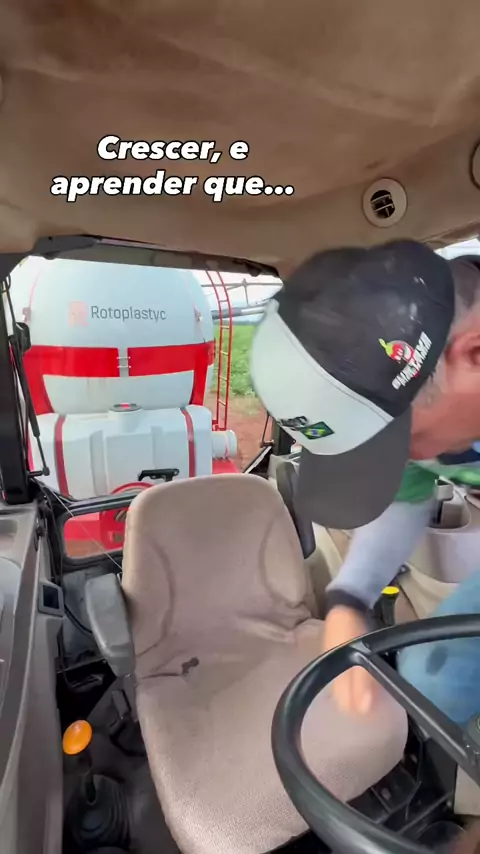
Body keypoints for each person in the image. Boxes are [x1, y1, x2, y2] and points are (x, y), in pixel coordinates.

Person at [250, 240, 480, 725]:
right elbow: (406, 496)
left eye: (400, 442)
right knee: (431, 679)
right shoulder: (426, 405)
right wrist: (350, 598)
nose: (402, 461)